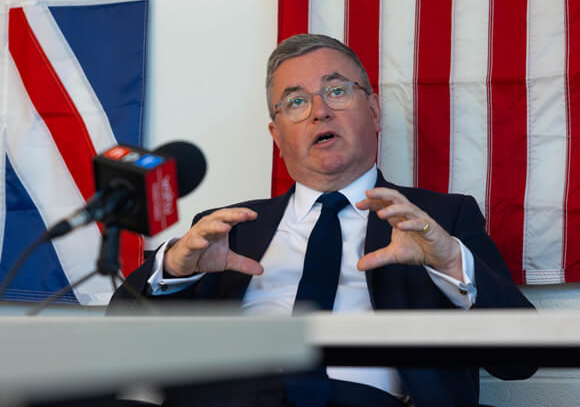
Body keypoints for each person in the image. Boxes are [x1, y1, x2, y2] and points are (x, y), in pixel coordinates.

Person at [109, 34, 536, 407]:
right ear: (277, 136)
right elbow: (118, 343)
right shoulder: (227, 229)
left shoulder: (441, 219)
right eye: (296, 101)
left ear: (373, 110)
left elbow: (519, 361)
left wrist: (449, 262)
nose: (319, 112)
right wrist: (174, 270)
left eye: (336, 91)